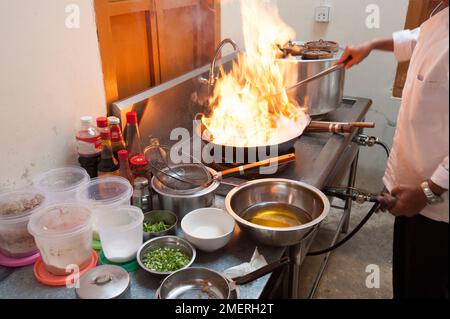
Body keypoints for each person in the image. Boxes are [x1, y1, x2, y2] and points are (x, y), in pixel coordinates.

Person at [337, 1, 449, 299]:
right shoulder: (441, 12)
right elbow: (418, 39)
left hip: (439, 206)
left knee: (426, 287)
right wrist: (370, 44)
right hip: (414, 192)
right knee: (406, 277)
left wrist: (429, 191)